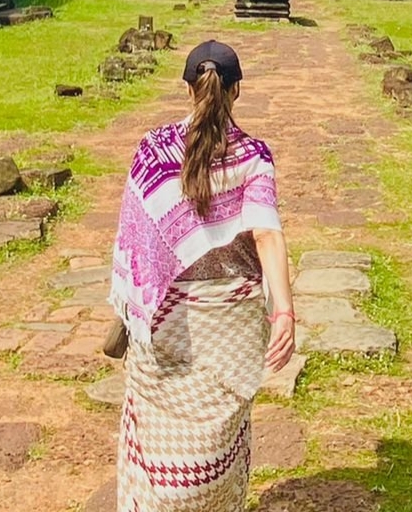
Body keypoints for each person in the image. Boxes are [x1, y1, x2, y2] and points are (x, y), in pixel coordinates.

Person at [108, 40, 295, 510]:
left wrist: (131, 303)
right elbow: (266, 234)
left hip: (168, 321)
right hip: (232, 326)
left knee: (155, 443)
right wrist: (284, 312)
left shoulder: (153, 152)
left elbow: (137, 244)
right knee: (221, 453)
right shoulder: (253, 156)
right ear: (237, 90)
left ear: (187, 88)